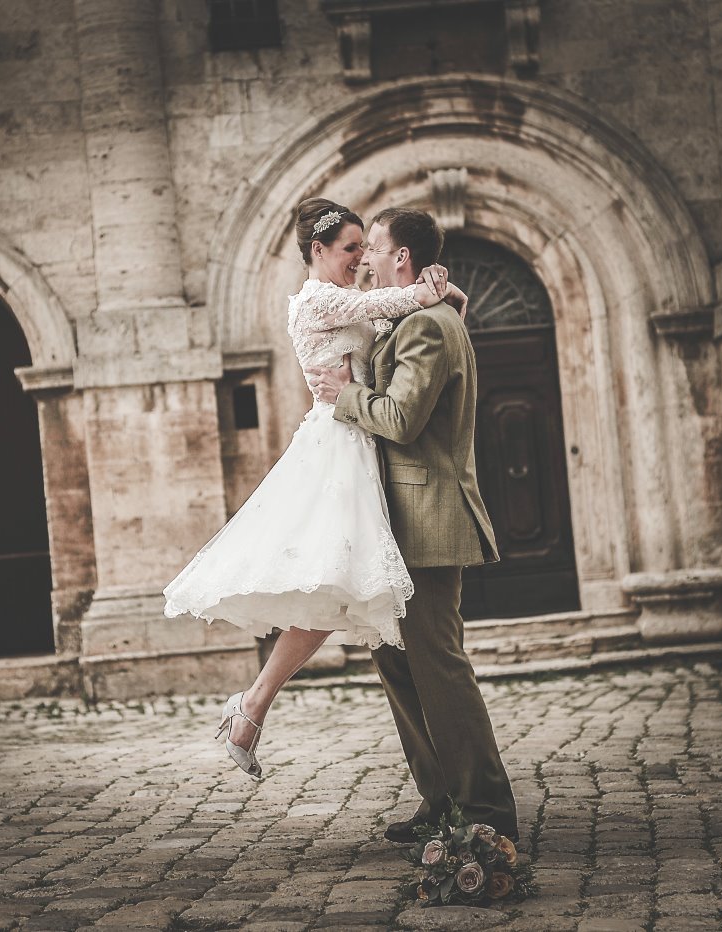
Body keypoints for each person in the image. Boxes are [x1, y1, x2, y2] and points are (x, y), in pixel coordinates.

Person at [164, 197, 465, 781]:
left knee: (335, 592)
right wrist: (427, 289)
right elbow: (392, 303)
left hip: (364, 438)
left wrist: (439, 285)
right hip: (340, 447)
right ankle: (254, 702)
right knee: (332, 586)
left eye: (363, 248)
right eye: (350, 249)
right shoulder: (317, 300)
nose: (358, 259)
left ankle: (253, 705)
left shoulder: (350, 299)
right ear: (318, 251)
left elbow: (393, 321)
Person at [306, 207, 519, 843]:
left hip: (426, 520)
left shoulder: (427, 326)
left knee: (437, 663)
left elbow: (400, 420)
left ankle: (484, 809)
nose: (365, 257)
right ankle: (441, 799)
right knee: (396, 662)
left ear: (401, 257)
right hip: (394, 523)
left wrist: (341, 394)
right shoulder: (416, 312)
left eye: (372, 245)